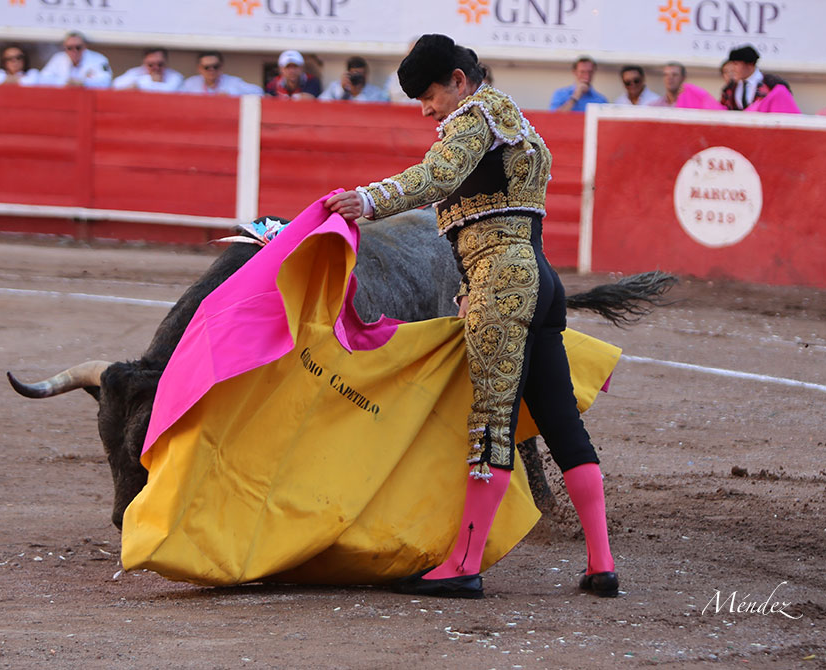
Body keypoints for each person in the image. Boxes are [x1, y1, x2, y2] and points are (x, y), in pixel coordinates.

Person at [325, 34, 619, 600]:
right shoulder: (517, 121)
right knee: (562, 424)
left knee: (490, 424)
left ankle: (464, 564)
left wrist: (368, 200)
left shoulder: (472, 119)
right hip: (538, 274)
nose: (425, 109)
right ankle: (601, 563)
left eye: (430, 95)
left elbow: (437, 176)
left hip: (502, 282)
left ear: (459, 81)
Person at [39, 31, 112, 88]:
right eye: (70, 48)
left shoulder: (99, 59)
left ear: (85, 46)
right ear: (65, 48)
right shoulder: (58, 59)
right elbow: (43, 79)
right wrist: (65, 82)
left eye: (78, 47)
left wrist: (84, 83)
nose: (74, 51)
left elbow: (106, 81)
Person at [179, 51, 263, 96]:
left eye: (215, 66)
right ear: (199, 69)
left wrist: (232, 95)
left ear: (221, 67)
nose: (211, 70)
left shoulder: (233, 83)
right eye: (206, 67)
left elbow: (259, 91)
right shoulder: (190, 84)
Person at [319, 56, 389, 102]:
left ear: (367, 74)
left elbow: (377, 110)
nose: (359, 77)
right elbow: (321, 103)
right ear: (348, 73)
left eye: (361, 74)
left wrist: (357, 94)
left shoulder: (375, 92)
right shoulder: (335, 87)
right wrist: (342, 90)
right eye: (355, 74)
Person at [112, 47, 183, 92]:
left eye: (160, 64)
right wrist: (148, 79)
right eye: (151, 65)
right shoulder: (135, 72)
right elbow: (116, 85)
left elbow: (169, 90)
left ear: (166, 63)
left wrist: (138, 85)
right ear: (144, 63)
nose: (156, 68)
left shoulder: (175, 76)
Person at [721, 45, 767, 111]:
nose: (732, 69)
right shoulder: (731, 87)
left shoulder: (769, 86)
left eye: (736, 64)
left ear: (750, 64)